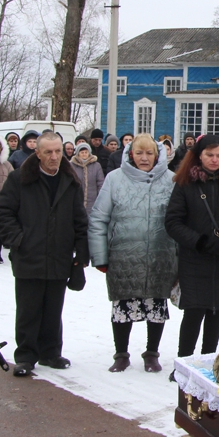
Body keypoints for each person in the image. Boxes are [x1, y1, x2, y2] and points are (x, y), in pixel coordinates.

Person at [0, 131, 90, 377]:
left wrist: (81, 255)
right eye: (48, 152)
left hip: (59, 254)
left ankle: (50, 352)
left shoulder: (70, 181)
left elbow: (80, 220)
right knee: (29, 309)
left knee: (53, 308)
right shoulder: (19, 179)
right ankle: (26, 355)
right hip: (29, 255)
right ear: (37, 153)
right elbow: (3, 213)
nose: (54, 156)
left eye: (58, 151)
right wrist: (19, 240)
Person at [88, 135, 177, 373]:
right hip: (123, 255)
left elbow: (180, 219)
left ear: (157, 155)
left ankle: (152, 353)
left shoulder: (171, 180)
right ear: (130, 154)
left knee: (156, 306)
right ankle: (121, 354)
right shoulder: (114, 179)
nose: (144, 158)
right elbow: (99, 218)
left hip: (161, 255)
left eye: (149, 153)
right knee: (123, 307)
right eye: (139, 153)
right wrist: (100, 256)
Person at [164, 134, 219, 380]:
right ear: (199, 156)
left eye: (218, 155)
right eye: (209, 155)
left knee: (216, 310)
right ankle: (184, 364)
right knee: (194, 310)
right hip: (195, 257)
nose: (214, 160)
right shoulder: (185, 183)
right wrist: (199, 241)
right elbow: (172, 222)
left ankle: (209, 359)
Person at [70, 141, 105, 214]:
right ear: (78, 153)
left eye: (86, 152)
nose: (84, 154)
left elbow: (100, 182)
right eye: (82, 152)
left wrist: (100, 198)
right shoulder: (72, 165)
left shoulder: (96, 165)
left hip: (92, 200)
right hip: (76, 200)